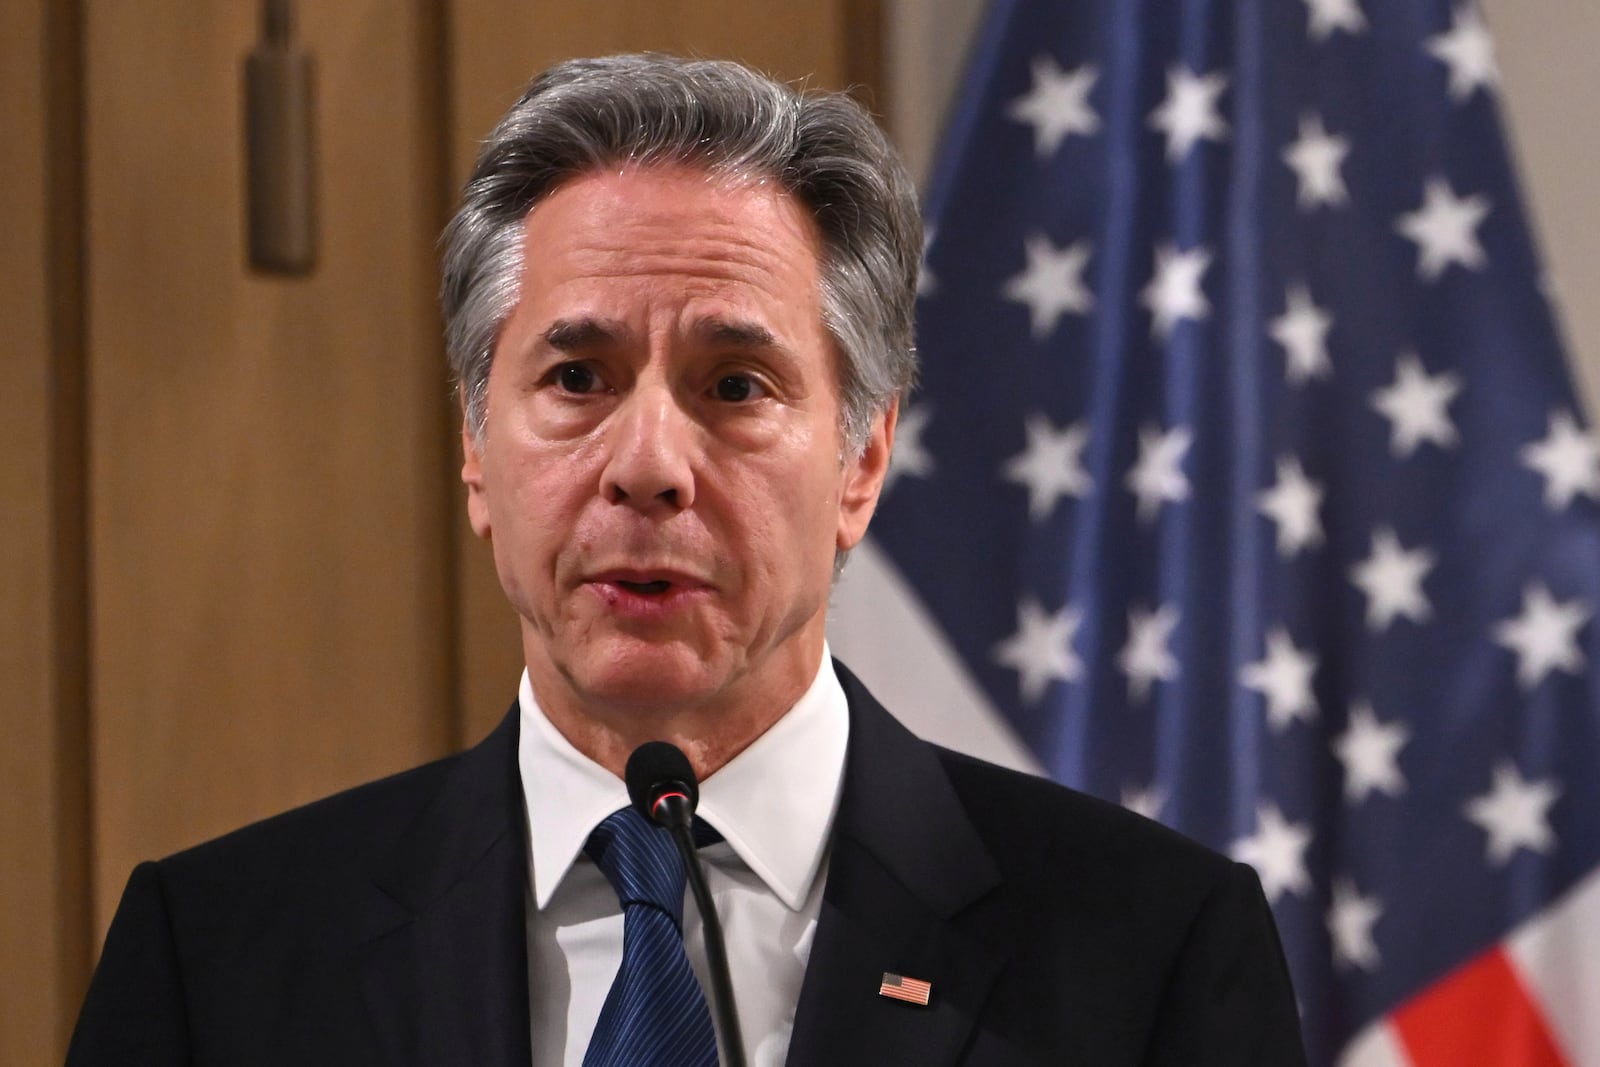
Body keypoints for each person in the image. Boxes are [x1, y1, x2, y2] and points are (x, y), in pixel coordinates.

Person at [68, 54, 1306, 1065]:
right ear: (473, 446)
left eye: (733, 383)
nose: (648, 461)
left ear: (861, 460)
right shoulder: (219, 956)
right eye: (575, 378)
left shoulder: (1151, 951)